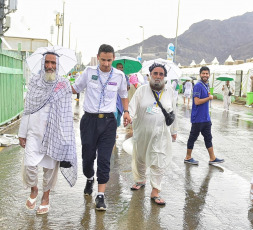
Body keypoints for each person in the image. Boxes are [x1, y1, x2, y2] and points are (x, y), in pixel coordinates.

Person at [71, 44, 131, 211]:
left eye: (109, 60)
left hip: (108, 122)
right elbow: (75, 88)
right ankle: (90, 178)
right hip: (89, 121)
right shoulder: (89, 73)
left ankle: (101, 196)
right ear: (98, 57)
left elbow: (123, 95)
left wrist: (126, 112)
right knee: (88, 157)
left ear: (113, 59)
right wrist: (59, 84)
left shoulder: (119, 76)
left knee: (105, 159)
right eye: (103, 60)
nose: (106, 63)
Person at [18, 51, 77, 215]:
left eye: (53, 63)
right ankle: (34, 189)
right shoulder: (34, 82)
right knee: (29, 165)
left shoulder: (63, 84)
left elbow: (66, 113)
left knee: (50, 170)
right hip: (33, 132)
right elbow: (27, 109)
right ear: (43, 63)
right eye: (47, 62)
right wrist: (22, 133)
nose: (50, 66)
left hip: (54, 134)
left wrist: (65, 138)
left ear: (57, 65)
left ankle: (45, 197)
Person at [129, 63, 178, 205]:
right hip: (142, 132)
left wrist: (174, 131)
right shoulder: (142, 91)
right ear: (150, 75)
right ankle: (140, 180)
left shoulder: (169, 92)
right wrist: (128, 118)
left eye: (161, 74)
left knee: (159, 161)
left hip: (161, 134)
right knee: (140, 158)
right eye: (155, 74)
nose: (158, 77)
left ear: (164, 77)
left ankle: (155, 191)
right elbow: (132, 108)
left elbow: (173, 112)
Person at [184, 66, 224, 165]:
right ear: (200, 74)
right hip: (198, 118)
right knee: (193, 137)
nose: (205, 75)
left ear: (209, 75)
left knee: (208, 138)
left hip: (206, 118)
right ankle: (188, 157)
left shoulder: (206, 85)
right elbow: (197, 102)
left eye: (207, 73)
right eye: (203, 73)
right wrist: (209, 98)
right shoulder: (198, 85)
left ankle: (212, 158)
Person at [114, 63, 130, 127]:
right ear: (116, 68)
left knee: (118, 117)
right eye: (119, 67)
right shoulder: (113, 76)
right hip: (114, 99)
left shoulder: (125, 77)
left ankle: (115, 130)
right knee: (114, 114)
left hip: (121, 100)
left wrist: (124, 83)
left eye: (121, 67)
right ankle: (112, 132)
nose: (121, 69)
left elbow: (128, 88)